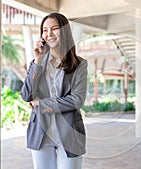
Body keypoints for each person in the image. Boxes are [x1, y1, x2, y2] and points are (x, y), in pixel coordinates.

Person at [21, 13, 87, 169]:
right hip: (41, 133)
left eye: (54, 28)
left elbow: (77, 100)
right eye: (45, 30)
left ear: (64, 31)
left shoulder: (79, 64)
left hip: (70, 134)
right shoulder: (37, 62)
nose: (49, 34)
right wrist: (38, 60)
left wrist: (41, 104)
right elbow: (26, 95)